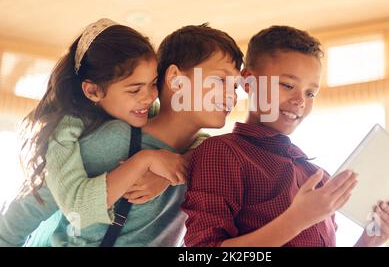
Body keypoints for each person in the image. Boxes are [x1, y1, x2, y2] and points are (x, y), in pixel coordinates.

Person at [1, 22, 244, 246]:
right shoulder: (116, 139)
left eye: (235, 86)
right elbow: (30, 208)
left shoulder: (207, 155)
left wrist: (174, 173)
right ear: (175, 80)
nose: (232, 95)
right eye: (220, 80)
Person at [182, 25, 389, 247]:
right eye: (288, 85)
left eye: (310, 93)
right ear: (248, 81)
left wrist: (370, 240)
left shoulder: (317, 177)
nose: (300, 101)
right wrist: (296, 220)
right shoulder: (222, 152)